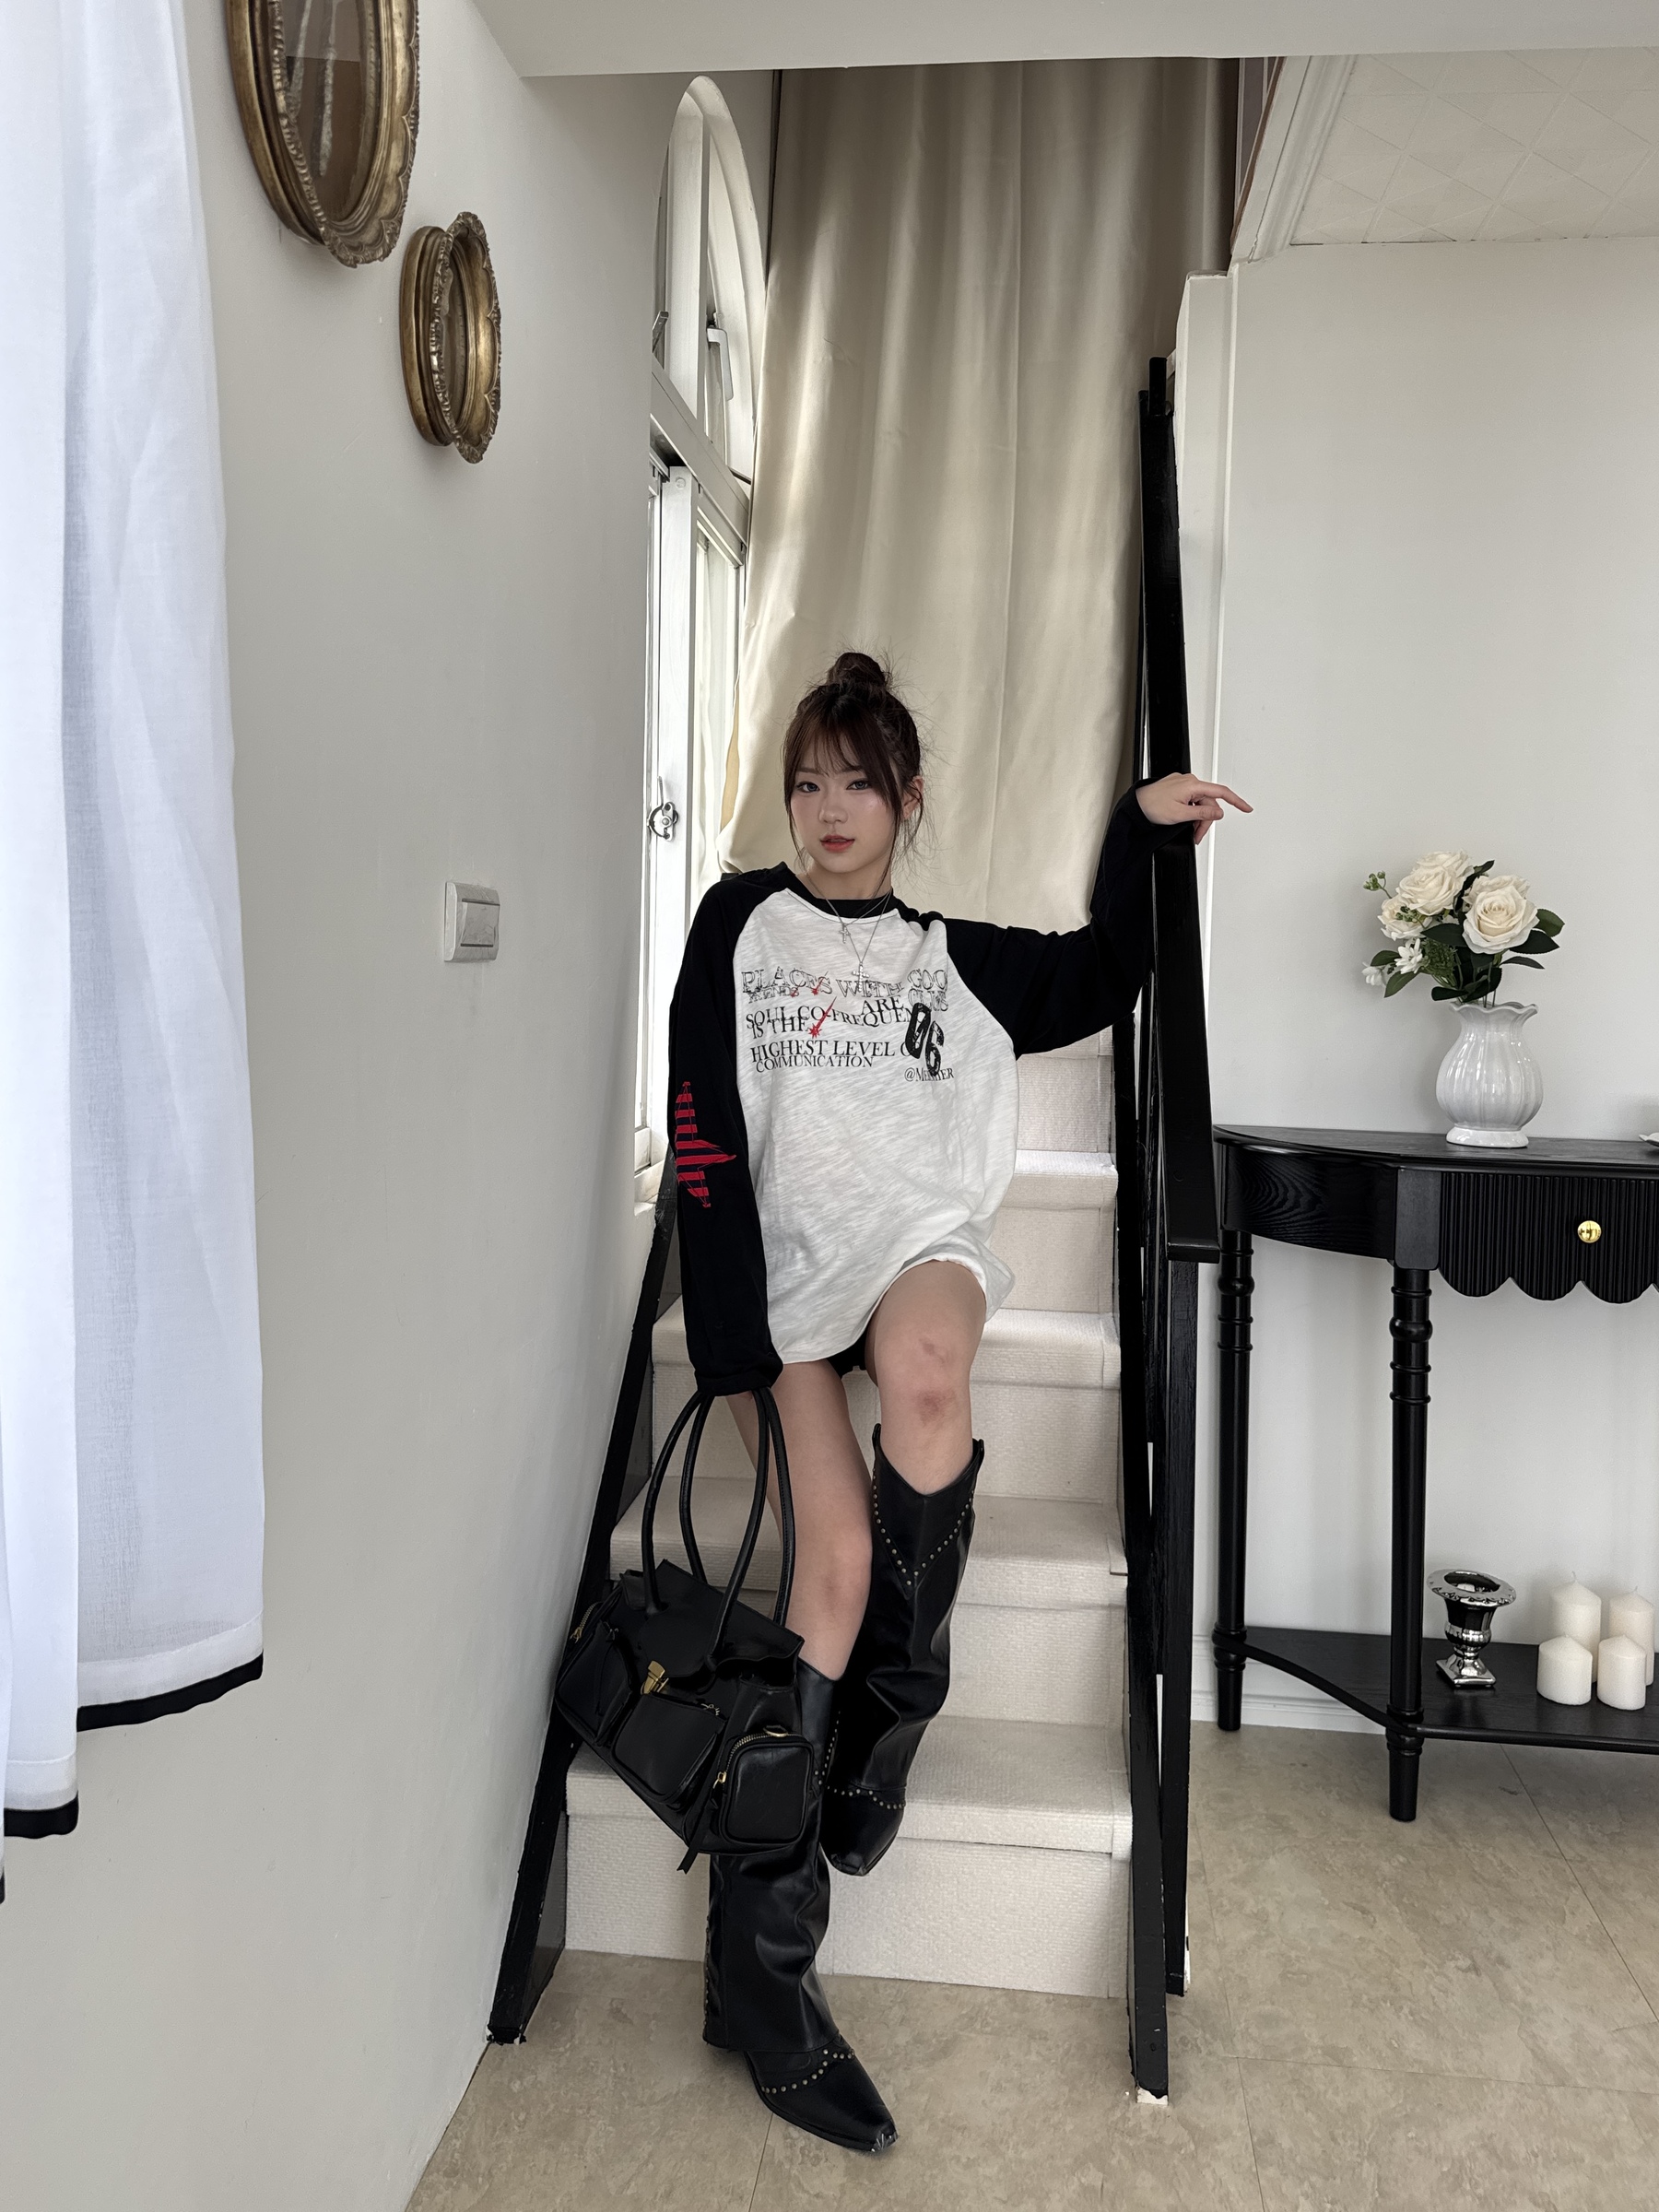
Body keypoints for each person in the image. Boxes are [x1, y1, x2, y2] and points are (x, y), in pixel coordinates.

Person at [666, 652, 1248, 2153]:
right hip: (783, 1280)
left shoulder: (951, 958)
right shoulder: (737, 923)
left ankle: (891, 1716)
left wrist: (1136, 833)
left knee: (929, 1373)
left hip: (915, 1245)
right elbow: (701, 1128)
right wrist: (732, 1342)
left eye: (857, 783)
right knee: (832, 1568)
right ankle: (761, 1978)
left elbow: (1099, 972)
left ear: (907, 798)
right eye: (807, 781)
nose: (827, 809)